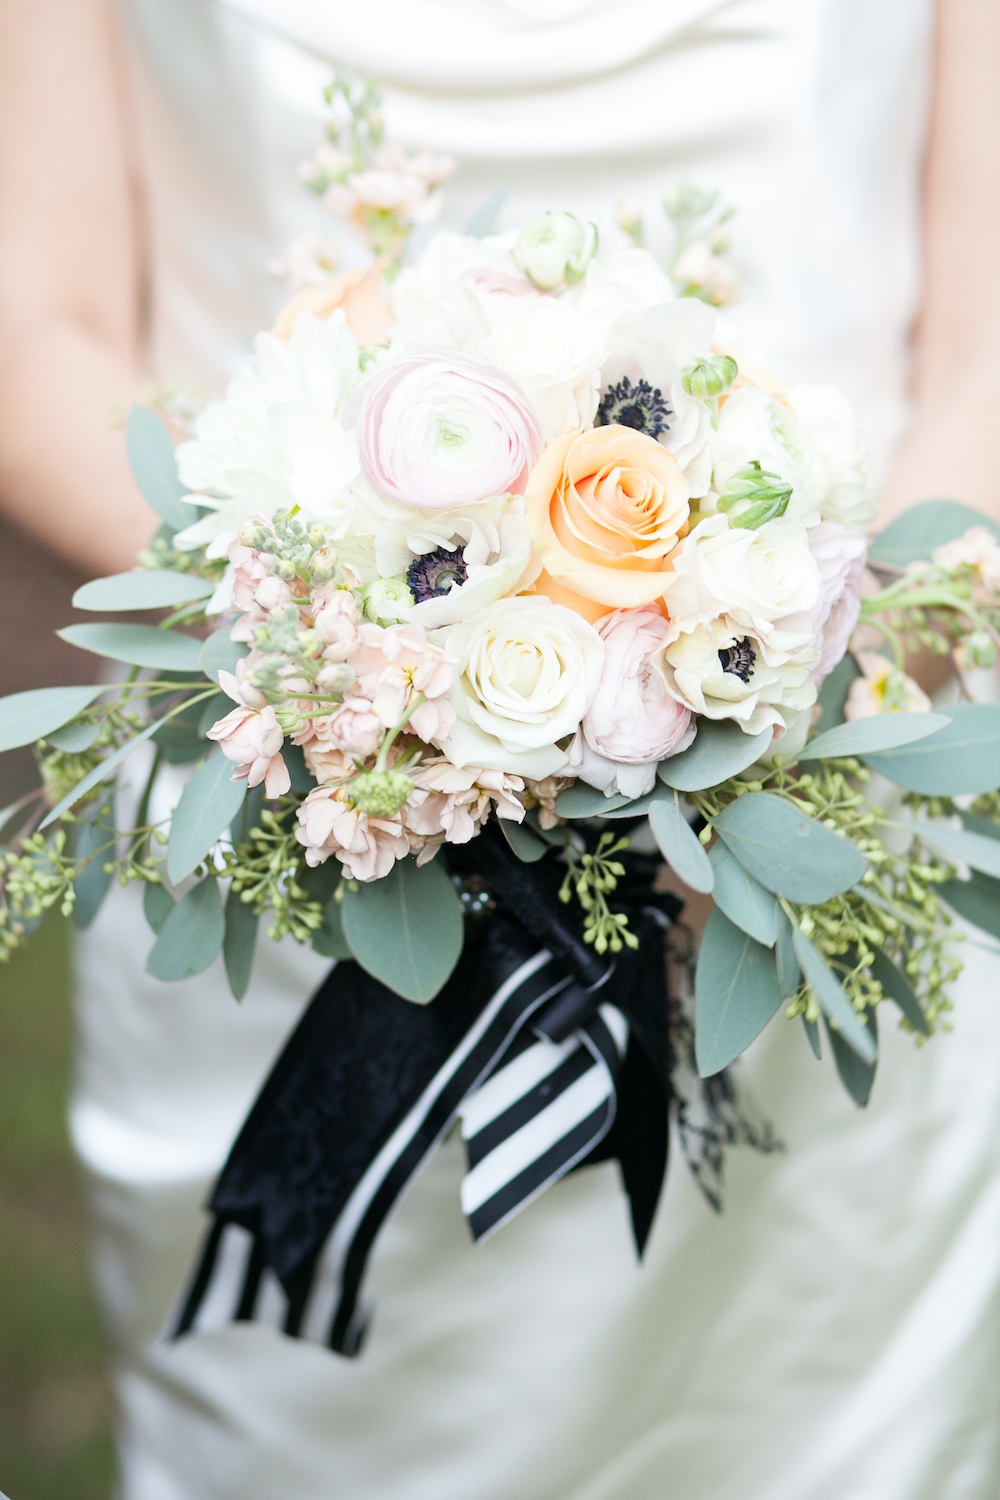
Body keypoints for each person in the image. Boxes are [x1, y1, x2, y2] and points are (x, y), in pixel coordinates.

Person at [2, 1, 1000, 1495]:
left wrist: (792, 706)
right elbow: (37, 313)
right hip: (304, 792)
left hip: (837, 765)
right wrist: (349, 650)